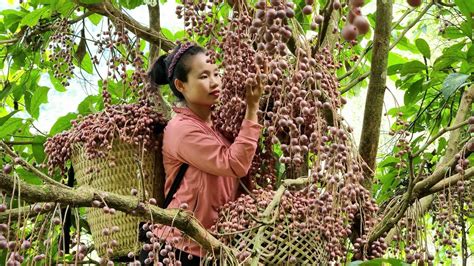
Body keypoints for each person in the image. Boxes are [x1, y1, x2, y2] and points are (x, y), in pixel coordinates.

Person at [144, 42, 263, 265]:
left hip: (210, 250)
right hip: (175, 249)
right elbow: (235, 163)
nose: (215, 82)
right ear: (181, 85)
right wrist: (252, 109)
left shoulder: (218, 126)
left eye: (217, 73)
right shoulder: (182, 129)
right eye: (204, 76)